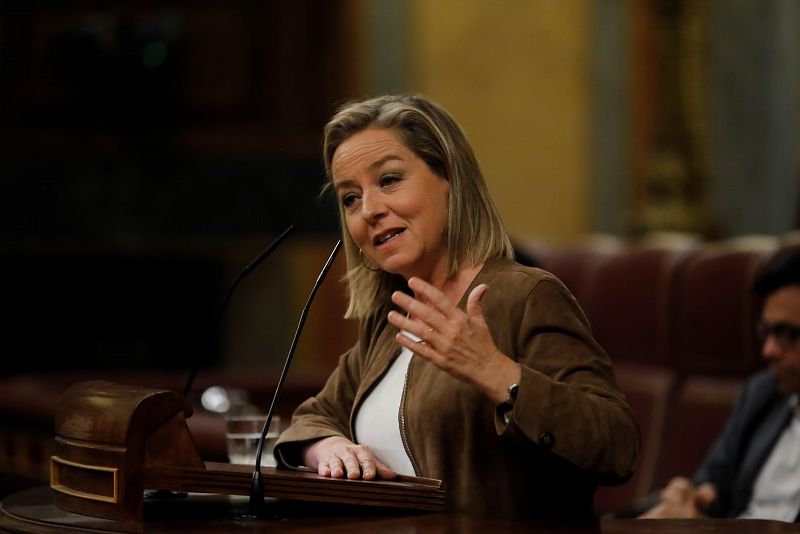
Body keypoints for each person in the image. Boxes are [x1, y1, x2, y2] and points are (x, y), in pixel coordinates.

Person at [273, 94, 639, 519]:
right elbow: (316, 415)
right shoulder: (391, 315)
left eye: (389, 180)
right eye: (350, 198)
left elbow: (617, 445)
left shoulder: (524, 296)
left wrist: (498, 374)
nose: (369, 210)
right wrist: (327, 448)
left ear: (449, 178)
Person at [641, 248, 800, 522]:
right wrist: (693, 498)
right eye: (767, 332)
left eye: (789, 335)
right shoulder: (764, 392)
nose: (769, 351)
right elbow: (713, 482)